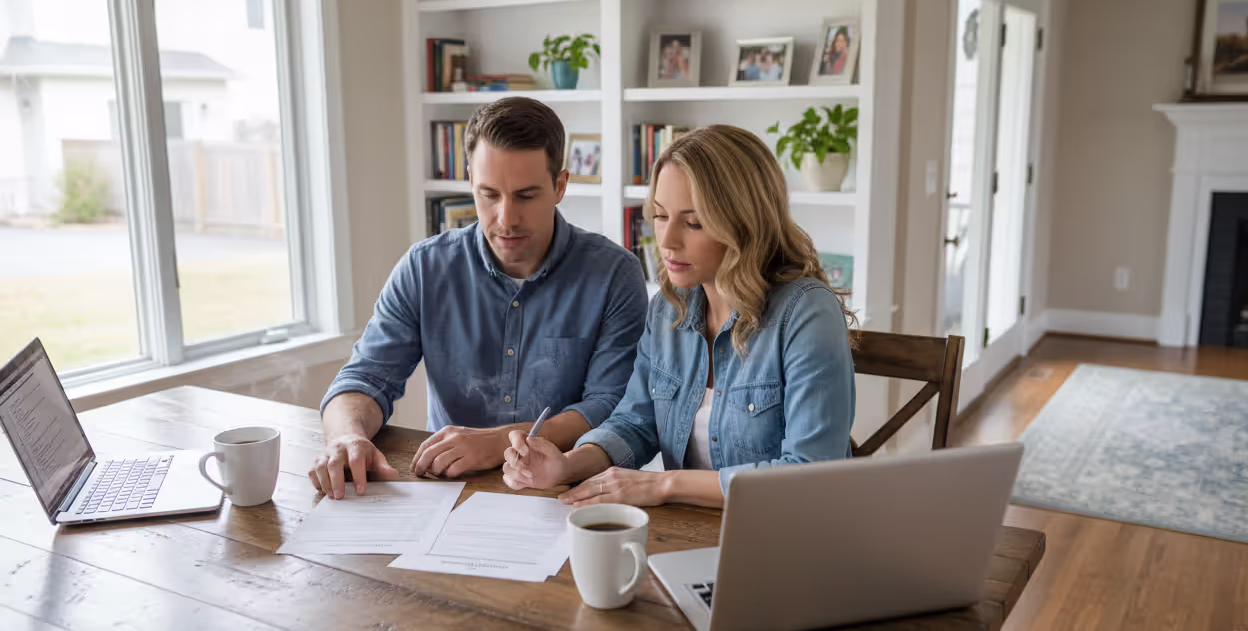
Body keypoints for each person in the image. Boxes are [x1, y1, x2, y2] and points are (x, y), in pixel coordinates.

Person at [502, 125, 856, 509]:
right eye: (659, 215)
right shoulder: (670, 309)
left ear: (745, 222)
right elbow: (634, 425)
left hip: (790, 541)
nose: (666, 240)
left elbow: (811, 475)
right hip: (694, 538)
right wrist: (565, 466)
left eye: (693, 223)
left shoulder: (806, 313)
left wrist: (664, 485)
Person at [310, 98, 648, 498]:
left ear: (559, 186)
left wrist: (500, 441)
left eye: (525, 196)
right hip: (446, 489)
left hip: (563, 492)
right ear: (470, 179)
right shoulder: (424, 268)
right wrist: (347, 437)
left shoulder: (614, 274)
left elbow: (609, 405)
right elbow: (364, 378)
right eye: (489, 194)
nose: (505, 218)